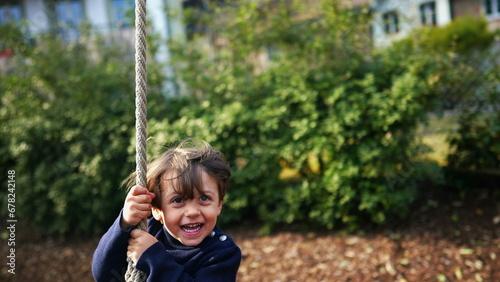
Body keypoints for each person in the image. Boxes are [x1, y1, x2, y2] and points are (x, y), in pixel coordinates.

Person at [92, 140, 241, 281]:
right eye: (178, 200)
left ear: (219, 205)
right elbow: (104, 275)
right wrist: (124, 223)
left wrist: (154, 258)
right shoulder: (148, 232)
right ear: (157, 210)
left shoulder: (222, 253)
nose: (192, 212)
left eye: (204, 198)